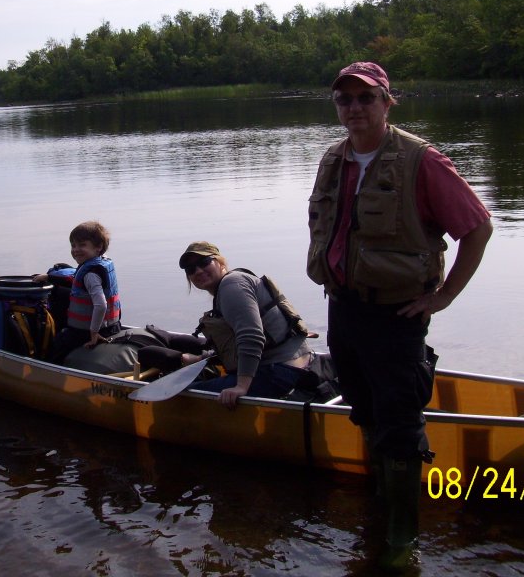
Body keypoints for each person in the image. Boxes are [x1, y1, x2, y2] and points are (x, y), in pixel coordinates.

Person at [306, 61, 493, 569]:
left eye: (366, 99)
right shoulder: (332, 159)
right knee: (365, 411)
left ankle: (401, 543)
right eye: (345, 100)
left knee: (400, 423)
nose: (354, 109)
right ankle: (381, 507)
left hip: (397, 315)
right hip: (343, 309)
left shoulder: (421, 160)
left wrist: (444, 296)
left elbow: (476, 228)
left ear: (388, 102)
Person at [178, 241, 313, 409]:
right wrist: (202, 359)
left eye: (204, 262)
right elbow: (235, 346)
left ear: (220, 262)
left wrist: (241, 387)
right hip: (298, 365)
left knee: (181, 396)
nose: (198, 271)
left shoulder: (231, 286)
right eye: (191, 269)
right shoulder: (232, 284)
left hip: (280, 373)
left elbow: (251, 337)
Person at [35, 221, 122, 363]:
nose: (76, 249)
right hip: (112, 326)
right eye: (73, 245)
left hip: (86, 332)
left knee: (53, 347)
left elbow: (101, 305)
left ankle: (46, 370)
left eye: (82, 245)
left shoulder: (91, 274)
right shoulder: (99, 264)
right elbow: (75, 280)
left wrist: (94, 333)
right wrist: (49, 277)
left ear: (99, 247)